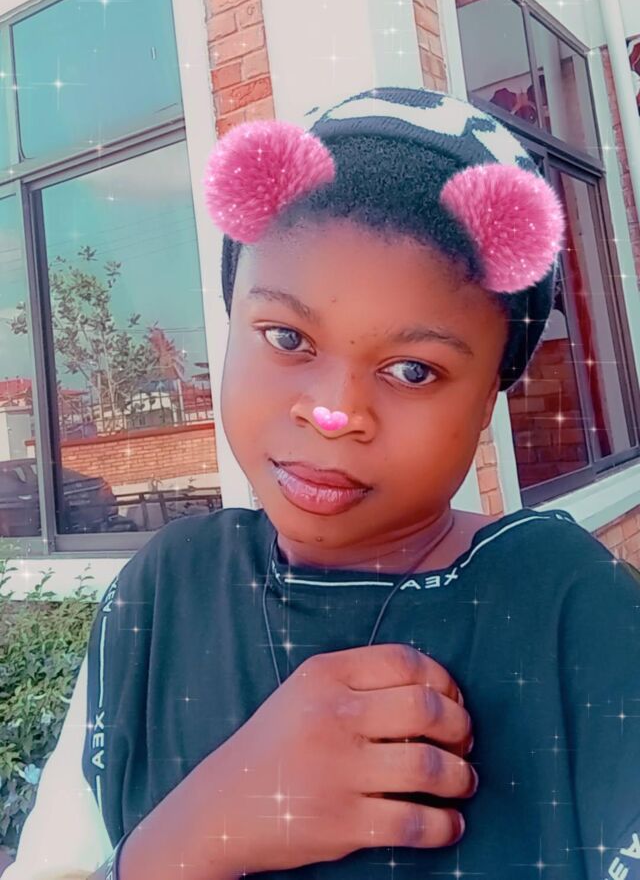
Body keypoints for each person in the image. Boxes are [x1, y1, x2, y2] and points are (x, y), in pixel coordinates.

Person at [6, 87, 640, 880]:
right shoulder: (163, 594)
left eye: (414, 370)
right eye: (287, 337)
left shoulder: (570, 608)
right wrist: (201, 831)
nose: (336, 413)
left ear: (488, 398)